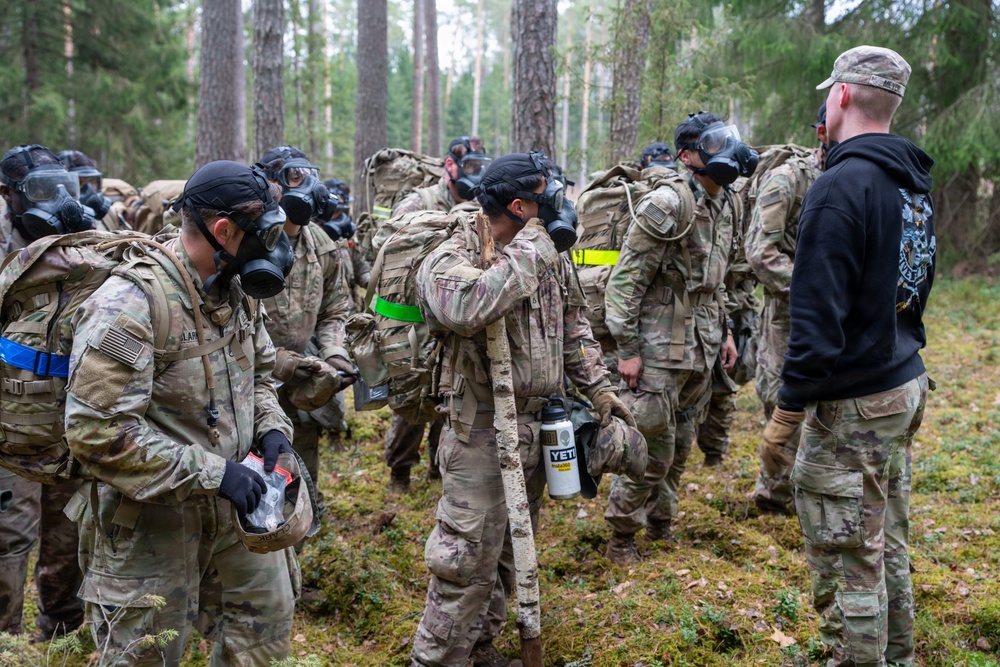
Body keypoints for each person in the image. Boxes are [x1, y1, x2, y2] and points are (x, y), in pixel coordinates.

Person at [64, 160, 297, 665]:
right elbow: (96, 432)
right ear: (224, 231)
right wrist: (215, 474)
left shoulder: (235, 289)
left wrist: (273, 429)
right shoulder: (131, 304)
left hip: (239, 509)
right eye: (267, 233)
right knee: (145, 654)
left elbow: (259, 376)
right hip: (151, 524)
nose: (276, 246)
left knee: (264, 634)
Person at [409, 153, 629, 667]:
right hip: (480, 436)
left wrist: (600, 390)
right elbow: (466, 307)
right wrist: (533, 242)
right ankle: (438, 660)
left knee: (511, 553)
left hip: (538, 429)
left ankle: (480, 650)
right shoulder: (453, 250)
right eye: (546, 197)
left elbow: (575, 326)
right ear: (518, 205)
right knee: (464, 564)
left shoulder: (546, 253)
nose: (558, 206)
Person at [760, 46, 934, 666]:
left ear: (839, 97)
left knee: (845, 553)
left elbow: (816, 319)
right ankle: (898, 653)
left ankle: (854, 657)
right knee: (885, 536)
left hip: (855, 401)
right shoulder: (910, 183)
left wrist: (786, 413)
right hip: (900, 379)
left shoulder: (840, 186)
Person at [603, 112, 752, 564]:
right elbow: (624, 283)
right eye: (713, 142)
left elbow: (719, 277)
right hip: (657, 348)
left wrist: (725, 329)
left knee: (682, 444)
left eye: (728, 138)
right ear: (688, 156)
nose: (726, 148)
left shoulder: (730, 202)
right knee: (649, 448)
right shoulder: (669, 204)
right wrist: (627, 351)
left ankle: (661, 525)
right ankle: (621, 538)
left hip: (702, 345)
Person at [0, 144, 90, 640]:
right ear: (8, 194)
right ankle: (6, 643)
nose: (55, 200)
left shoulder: (82, 242)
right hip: (8, 422)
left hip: (71, 415)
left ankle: (60, 630)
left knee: (69, 529)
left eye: (62, 187)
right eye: (38, 191)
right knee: (10, 535)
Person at [383, 136, 491, 493]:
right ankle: (400, 471)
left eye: (481, 167)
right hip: (414, 317)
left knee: (450, 394)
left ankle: (438, 465)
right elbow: (394, 251)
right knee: (412, 402)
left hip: (456, 315)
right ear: (450, 165)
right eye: (471, 166)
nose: (475, 175)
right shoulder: (419, 201)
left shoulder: (482, 207)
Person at [257, 146, 355, 488]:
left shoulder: (322, 244)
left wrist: (333, 353)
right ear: (270, 184)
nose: (306, 185)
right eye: (293, 176)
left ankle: (300, 518)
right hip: (247, 381)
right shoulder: (249, 243)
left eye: (306, 175)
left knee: (301, 457)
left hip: (303, 377)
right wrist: (276, 361)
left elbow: (334, 310)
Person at [745, 105, 826, 515]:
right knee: (780, 400)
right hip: (788, 315)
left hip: (836, 318)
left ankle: (813, 492)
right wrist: (814, 290)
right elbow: (760, 251)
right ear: (823, 132)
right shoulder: (789, 178)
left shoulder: (854, 178)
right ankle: (774, 496)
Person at [56, 150, 124, 231]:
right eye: (79, 183)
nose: (89, 190)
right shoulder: (55, 221)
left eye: (92, 181)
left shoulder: (109, 217)